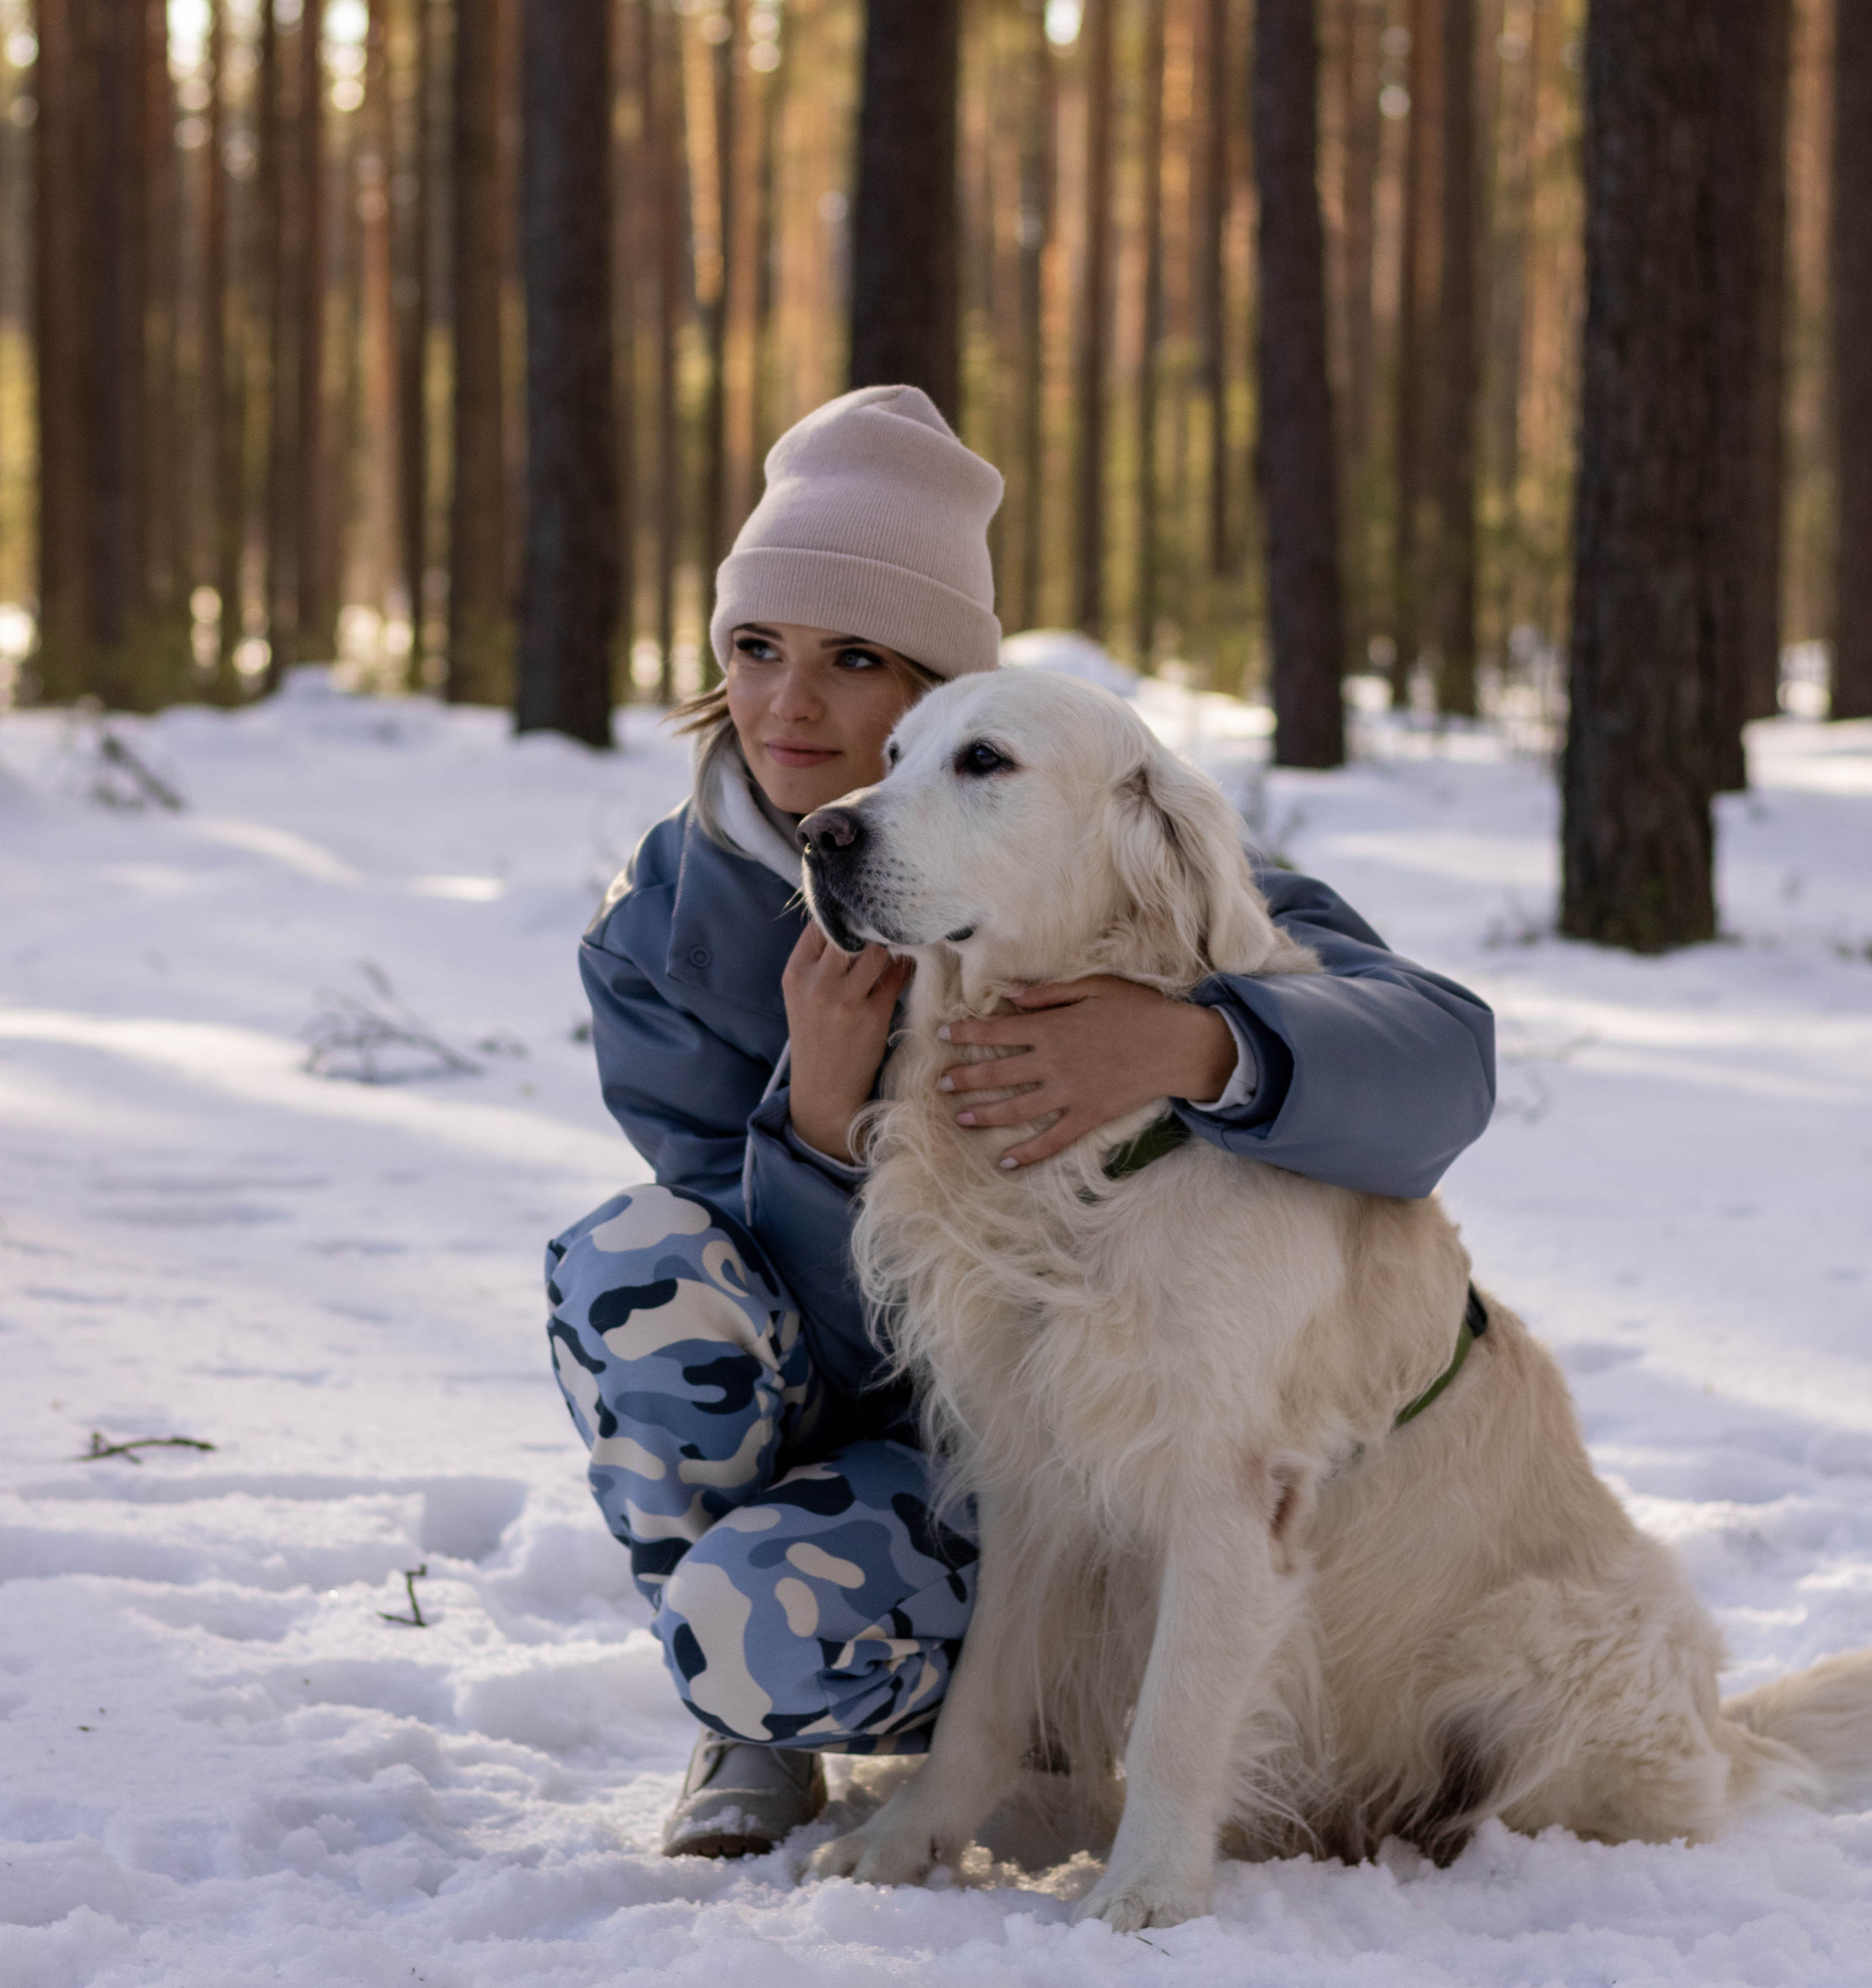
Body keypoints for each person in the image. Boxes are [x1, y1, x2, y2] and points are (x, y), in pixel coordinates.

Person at [545, 384, 1496, 1858]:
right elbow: (789, 1328)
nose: (790, 707)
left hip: (1094, 1462)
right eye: (755, 650)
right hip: (884, 1438)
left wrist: (1192, 1040)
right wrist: (817, 1114)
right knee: (635, 1269)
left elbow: (1441, 1064)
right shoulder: (658, 936)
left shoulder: (1092, 836)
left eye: (853, 659)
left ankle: (1056, 1718)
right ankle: (757, 1733)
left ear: (937, 689)